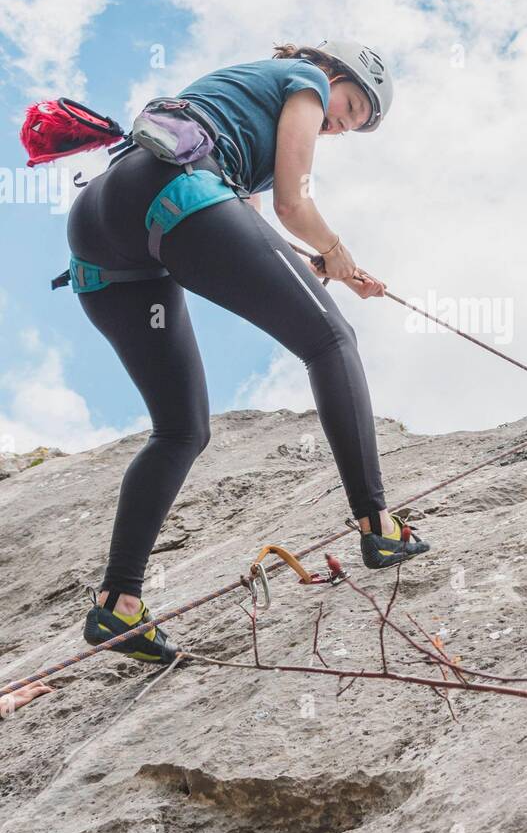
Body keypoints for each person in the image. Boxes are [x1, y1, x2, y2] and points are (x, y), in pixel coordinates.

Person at [65, 40, 429, 667]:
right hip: (175, 194)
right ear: (335, 75)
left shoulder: (237, 107)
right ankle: (378, 524)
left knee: (181, 430)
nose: (340, 124)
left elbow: (248, 231)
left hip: (104, 235)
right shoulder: (305, 81)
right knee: (332, 342)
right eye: (350, 106)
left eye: (353, 126)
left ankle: (118, 601)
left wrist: (327, 266)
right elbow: (293, 204)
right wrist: (335, 248)